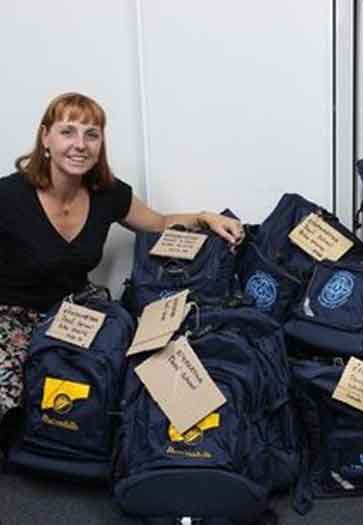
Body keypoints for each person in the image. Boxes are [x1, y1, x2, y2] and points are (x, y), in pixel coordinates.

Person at [0, 92, 244, 430]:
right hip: (13, 317)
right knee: (10, 397)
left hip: (75, 311)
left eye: (92, 134)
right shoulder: (8, 196)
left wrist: (206, 218)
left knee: (149, 359)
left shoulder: (108, 194)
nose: (80, 144)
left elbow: (159, 223)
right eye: (67, 131)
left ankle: (193, 446)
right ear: (45, 137)